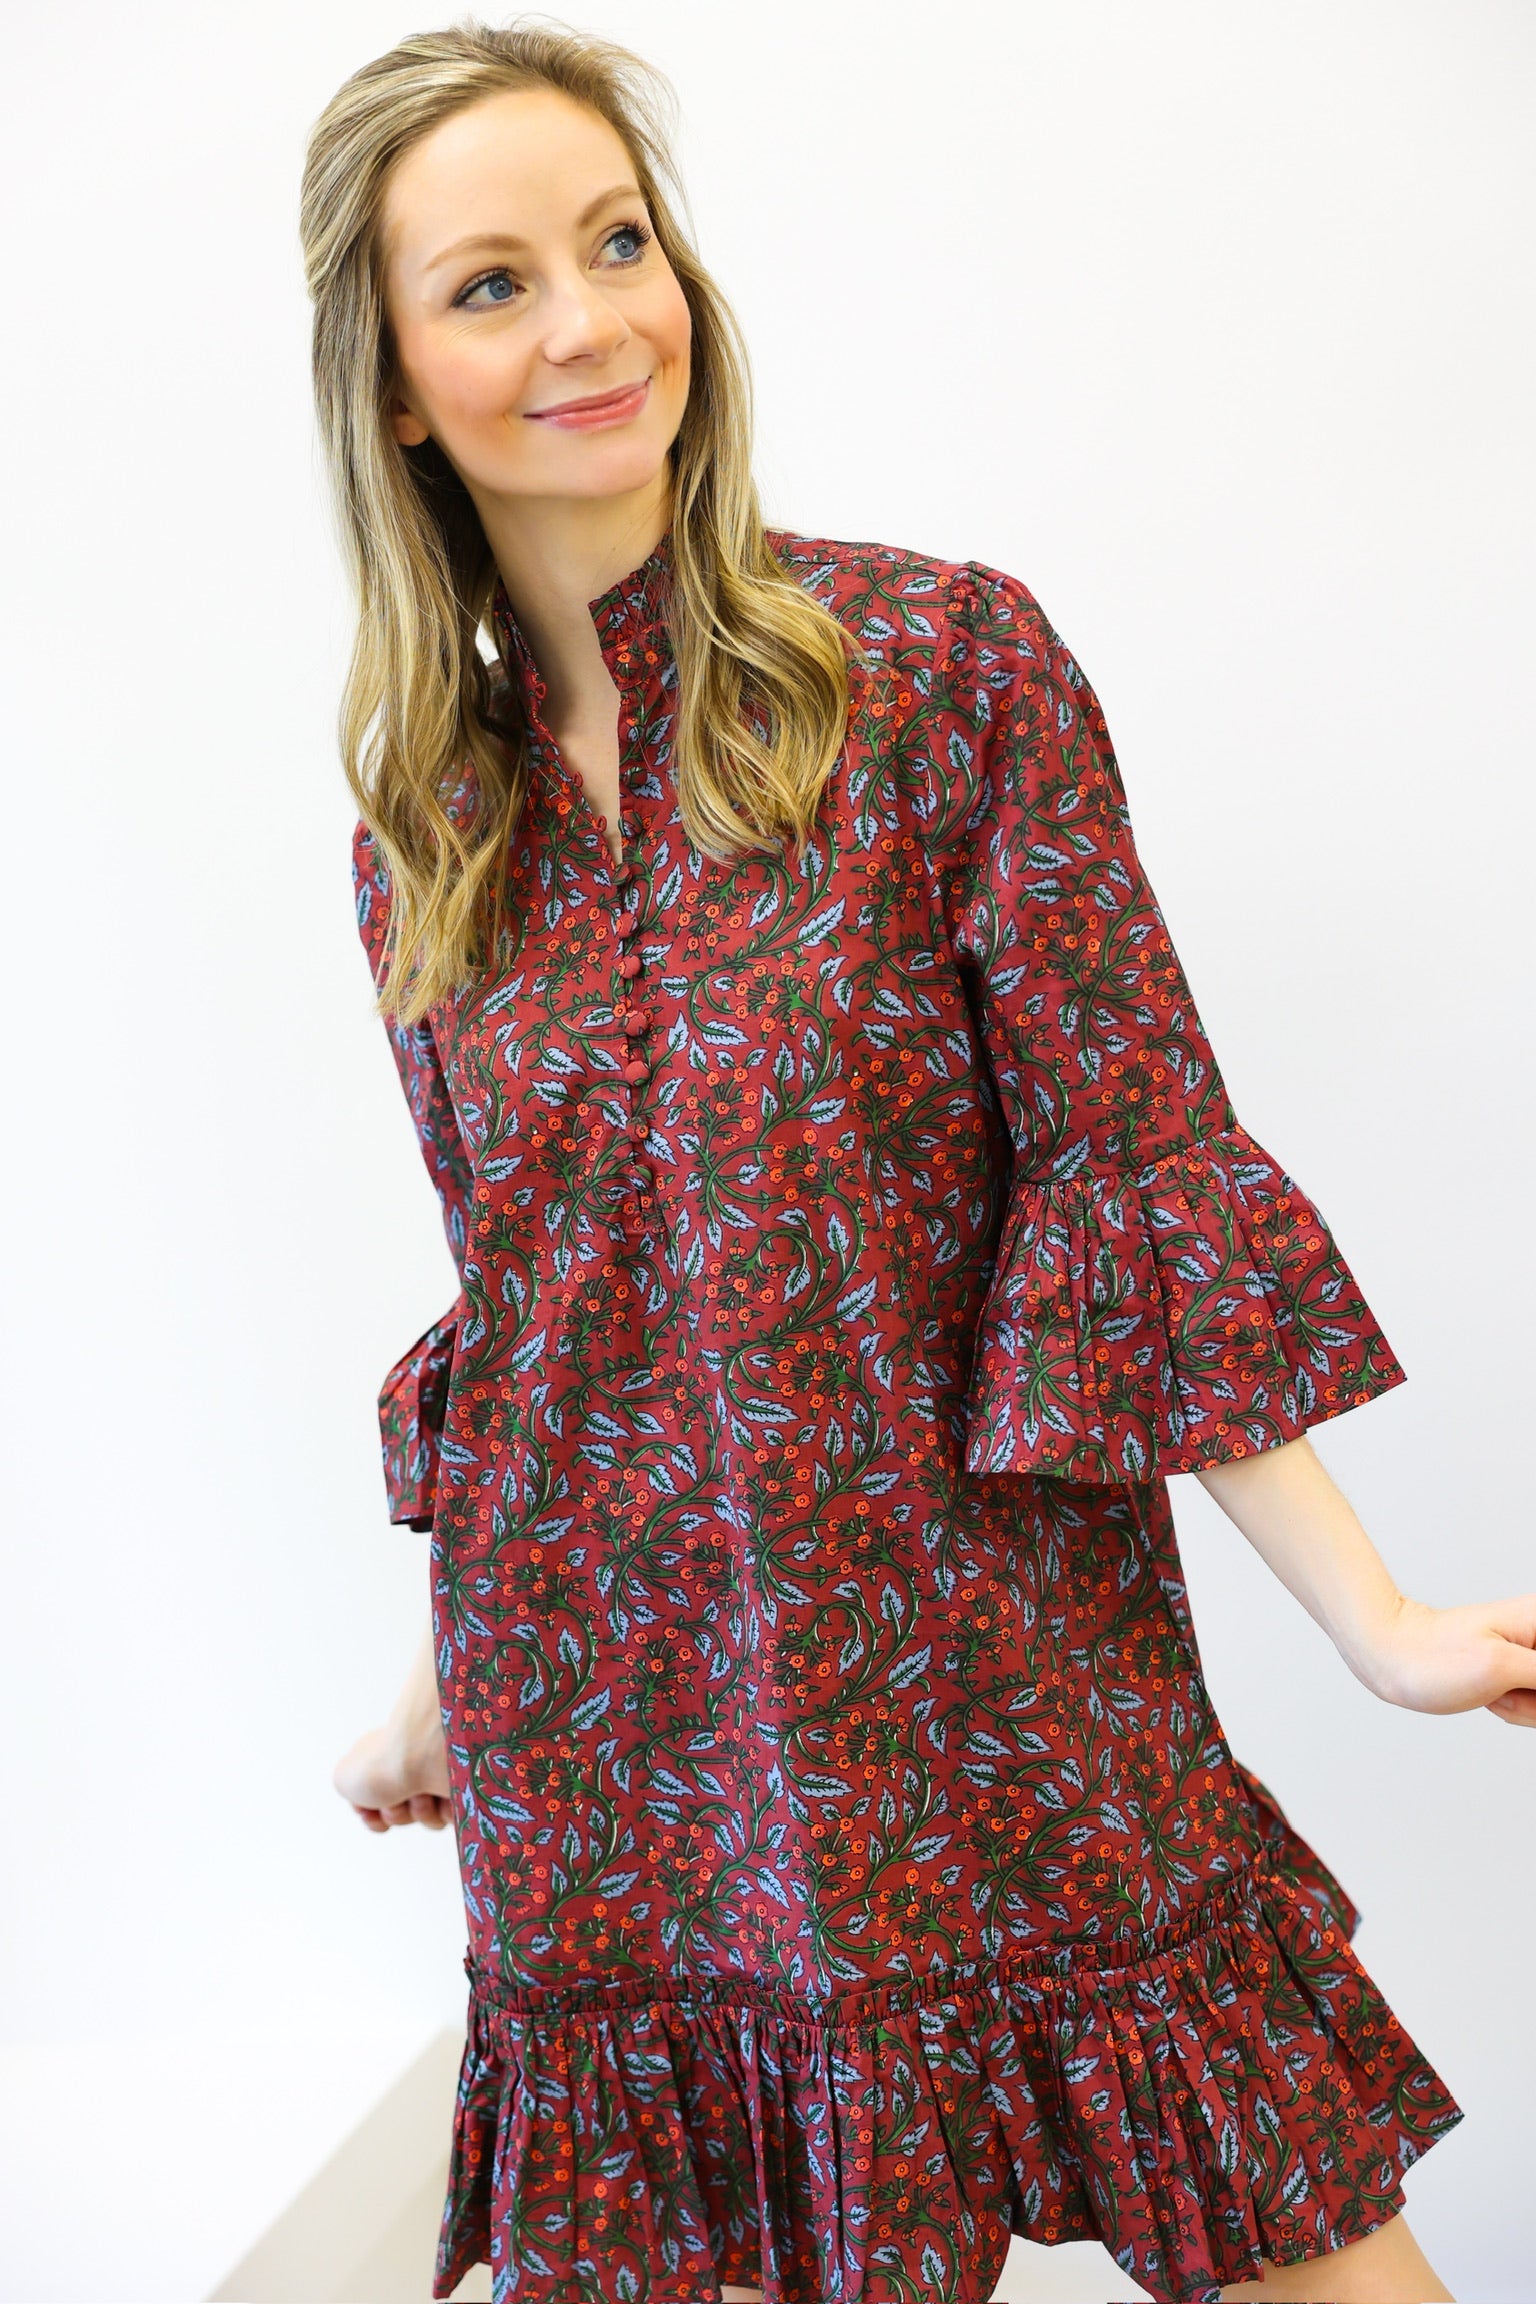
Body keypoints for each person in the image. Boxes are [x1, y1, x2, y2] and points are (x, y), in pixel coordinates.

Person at [304, 20, 1535, 2304]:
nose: (587, 319)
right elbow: (549, 1317)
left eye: (617, 241)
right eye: (488, 284)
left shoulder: (939, 671)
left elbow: (1129, 1160)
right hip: (634, 1777)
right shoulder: (425, 835)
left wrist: (1374, 1624)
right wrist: (437, 1694)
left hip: (999, 1688)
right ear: (389, 385)